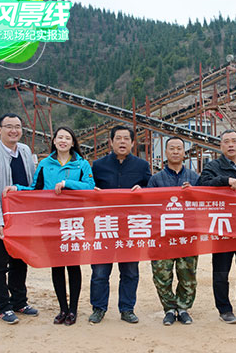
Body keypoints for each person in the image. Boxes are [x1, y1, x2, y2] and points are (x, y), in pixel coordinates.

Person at [3, 126, 95, 326]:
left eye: (67, 138)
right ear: (54, 141)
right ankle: (62, 309)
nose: (63, 141)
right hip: (51, 222)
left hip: (74, 221)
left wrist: (67, 183)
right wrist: (17, 188)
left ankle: (73, 310)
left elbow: (89, 187)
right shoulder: (45, 164)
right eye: (60, 137)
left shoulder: (81, 164)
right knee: (57, 265)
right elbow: (35, 189)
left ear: (73, 142)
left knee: (73, 265)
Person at [89, 125, 151, 324]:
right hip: (104, 226)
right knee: (100, 272)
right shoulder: (98, 166)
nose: (122, 142)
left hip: (130, 226)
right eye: (118, 138)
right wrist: (93, 192)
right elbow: (87, 190)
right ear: (111, 142)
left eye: (126, 138)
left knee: (130, 271)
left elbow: (152, 190)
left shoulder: (142, 166)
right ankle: (98, 308)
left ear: (132, 143)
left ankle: (127, 309)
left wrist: (142, 190)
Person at [0, 113, 38, 324]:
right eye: (9, 126)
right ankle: (2, 307)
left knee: (19, 261)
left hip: (21, 218)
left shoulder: (25, 151)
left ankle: (19, 301)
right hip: (0, 219)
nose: (14, 131)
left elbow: (31, 183)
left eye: (17, 126)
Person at [197, 129, 236, 324]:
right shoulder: (213, 166)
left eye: (234, 141)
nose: (230, 145)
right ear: (220, 146)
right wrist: (224, 181)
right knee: (221, 271)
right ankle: (224, 309)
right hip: (222, 226)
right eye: (226, 141)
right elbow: (202, 185)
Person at [147, 136, 200, 326]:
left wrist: (195, 192)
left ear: (184, 153)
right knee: (162, 275)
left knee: (188, 275)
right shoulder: (156, 179)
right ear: (166, 153)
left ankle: (183, 308)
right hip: (163, 237)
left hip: (187, 236)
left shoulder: (195, 178)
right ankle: (169, 308)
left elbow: (204, 204)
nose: (176, 152)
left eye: (179, 148)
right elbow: (149, 207)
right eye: (172, 148)